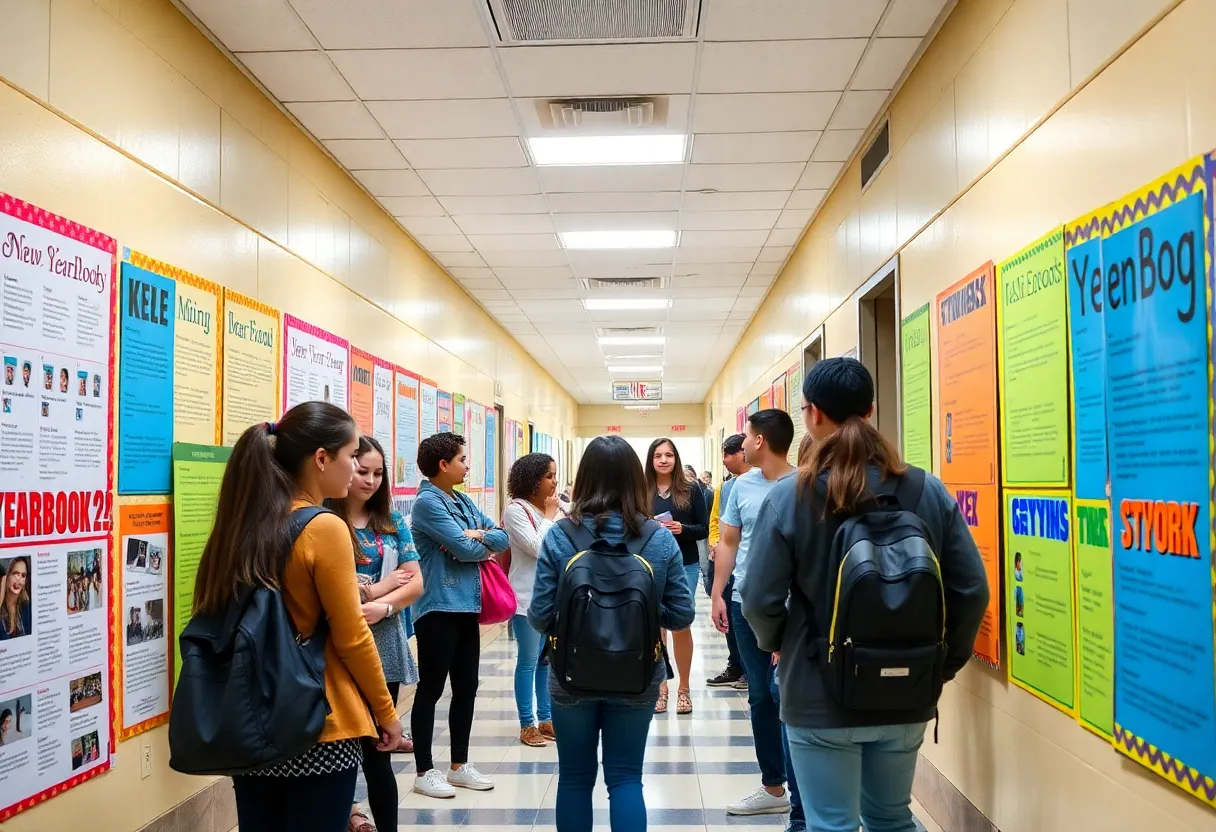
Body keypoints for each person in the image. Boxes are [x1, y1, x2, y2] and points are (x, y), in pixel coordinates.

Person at [743, 358, 990, 832]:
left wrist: (778, 642)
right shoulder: (926, 490)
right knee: (891, 820)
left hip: (817, 692)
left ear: (812, 414)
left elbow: (758, 598)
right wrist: (941, 664)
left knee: (832, 825)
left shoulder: (791, 495)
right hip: (906, 688)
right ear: (872, 410)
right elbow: (971, 591)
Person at [188, 402, 403, 832]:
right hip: (318, 721)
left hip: (253, 719)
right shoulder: (323, 528)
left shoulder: (240, 523)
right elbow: (351, 635)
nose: (355, 467)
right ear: (321, 459)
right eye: (351, 456)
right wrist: (387, 713)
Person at [528, 435, 694, 831]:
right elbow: (681, 613)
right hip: (638, 676)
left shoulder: (559, 535)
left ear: (583, 478)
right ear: (636, 479)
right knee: (625, 779)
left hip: (570, 676)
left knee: (574, 778)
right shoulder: (657, 538)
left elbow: (538, 615)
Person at [330, 436, 424, 832]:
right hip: (334, 648)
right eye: (362, 470)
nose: (370, 480)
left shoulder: (392, 522)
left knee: (379, 750)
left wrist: (382, 605)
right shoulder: (325, 521)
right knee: (337, 750)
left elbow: (416, 583)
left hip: (383, 643)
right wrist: (380, 588)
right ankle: (349, 813)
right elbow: (341, 591)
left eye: (378, 473)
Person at [710, 410, 801, 818]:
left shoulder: (802, 485)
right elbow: (728, 542)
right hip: (746, 605)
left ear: (760, 440)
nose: (741, 443)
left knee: (786, 695)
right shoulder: (740, 487)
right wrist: (717, 593)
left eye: (746, 436)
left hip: (789, 610)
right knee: (761, 696)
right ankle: (773, 786)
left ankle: (802, 795)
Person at [408, 433, 509, 799]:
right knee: (432, 688)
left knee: (467, 685)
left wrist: (477, 534)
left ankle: (458, 766)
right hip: (437, 607)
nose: (468, 465)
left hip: (467, 605)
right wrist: (477, 542)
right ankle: (423, 770)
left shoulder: (462, 500)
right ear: (443, 465)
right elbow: (466, 551)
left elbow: (502, 536)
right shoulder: (427, 504)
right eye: (463, 459)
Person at [645, 439, 708, 715]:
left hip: (686, 564)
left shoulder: (691, 489)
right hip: (651, 565)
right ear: (651, 459)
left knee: (680, 624)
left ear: (676, 458)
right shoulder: (641, 489)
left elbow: (704, 528)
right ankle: (661, 687)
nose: (663, 460)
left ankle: (684, 688)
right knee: (656, 626)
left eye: (668, 455)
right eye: (658, 455)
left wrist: (682, 528)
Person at [502, 452, 559, 747]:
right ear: (534, 480)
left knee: (544, 662)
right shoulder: (515, 511)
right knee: (527, 661)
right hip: (525, 599)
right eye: (549, 476)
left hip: (550, 599)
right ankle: (527, 724)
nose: (555, 481)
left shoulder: (547, 510)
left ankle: (546, 718)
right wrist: (550, 518)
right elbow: (539, 548)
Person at [705, 434, 749, 688]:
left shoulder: (767, 483)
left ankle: (748, 669)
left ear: (741, 453)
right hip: (725, 560)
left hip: (746, 563)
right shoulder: (726, 487)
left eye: (727, 454)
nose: (723, 460)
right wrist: (714, 542)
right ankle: (736, 665)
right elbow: (716, 520)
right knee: (729, 617)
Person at [0, 557, 32, 640]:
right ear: (6, 577)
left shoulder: (27, 607)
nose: (19, 580)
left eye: (23, 575)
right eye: (15, 574)